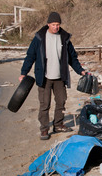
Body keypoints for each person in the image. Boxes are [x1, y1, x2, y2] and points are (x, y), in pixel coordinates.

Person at [19, 12, 88, 140]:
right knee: (45, 105)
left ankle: (58, 124)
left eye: (58, 25)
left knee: (61, 102)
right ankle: (44, 129)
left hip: (60, 77)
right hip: (44, 77)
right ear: (48, 24)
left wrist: (81, 71)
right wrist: (24, 73)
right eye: (53, 25)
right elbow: (30, 56)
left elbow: (72, 58)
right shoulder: (39, 38)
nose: (56, 27)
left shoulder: (64, 38)